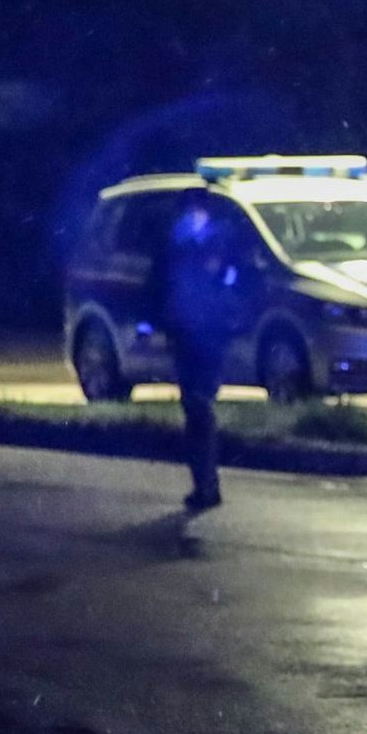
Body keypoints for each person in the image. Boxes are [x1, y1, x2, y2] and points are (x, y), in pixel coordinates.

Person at [163, 192, 254, 511]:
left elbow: (239, 279)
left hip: (209, 333)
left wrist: (226, 304)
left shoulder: (220, 244)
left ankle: (206, 484)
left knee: (199, 406)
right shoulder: (178, 244)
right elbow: (163, 286)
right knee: (195, 407)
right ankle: (203, 483)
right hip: (187, 333)